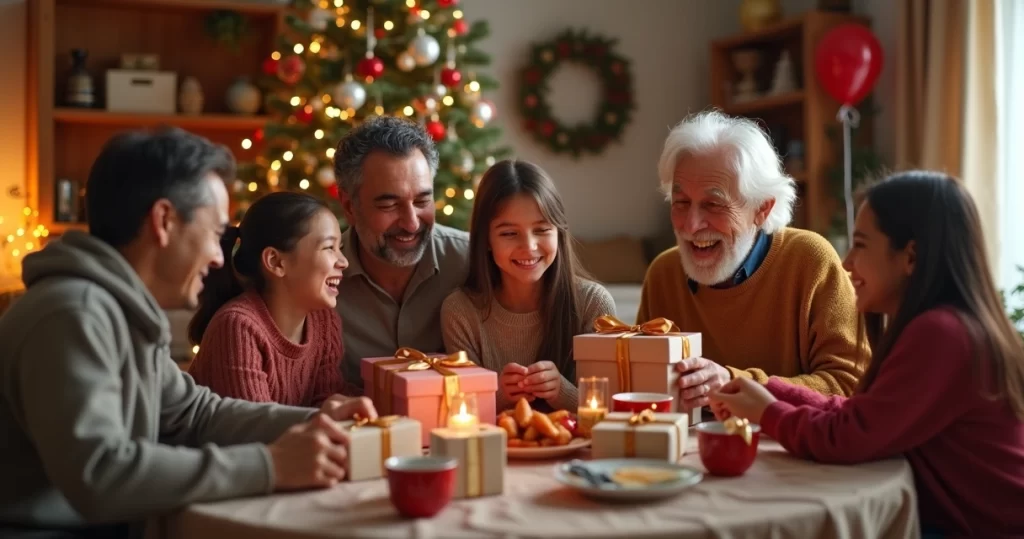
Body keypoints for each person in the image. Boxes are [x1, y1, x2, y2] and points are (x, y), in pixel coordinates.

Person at [0, 128, 376, 538]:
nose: (218, 257)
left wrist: (318, 418)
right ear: (163, 221)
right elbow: (100, 473)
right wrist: (273, 465)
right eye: (215, 234)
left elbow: (195, 413)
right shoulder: (74, 314)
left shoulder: (122, 312)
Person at [710, 171, 1024, 538]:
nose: (847, 262)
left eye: (860, 244)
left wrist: (767, 412)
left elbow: (847, 438)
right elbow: (864, 416)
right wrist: (771, 392)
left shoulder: (941, 334)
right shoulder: (950, 325)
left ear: (911, 256)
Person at [638, 109, 866, 412]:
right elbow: (641, 388)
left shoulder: (810, 261)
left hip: (787, 441)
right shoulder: (663, 274)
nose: (691, 225)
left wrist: (735, 383)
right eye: (681, 202)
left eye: (713, 204)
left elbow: (849, 385)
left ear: (762, 209)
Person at [440, 160, 616, 412]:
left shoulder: (593, 304)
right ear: (486, 239)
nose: (529, 247)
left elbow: (609, 410)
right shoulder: (460, 311)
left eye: (542, 229)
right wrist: (500, 394)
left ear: (558, 232)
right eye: (509, 233)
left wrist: (561, 391)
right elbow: (462, 411)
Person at [333, 115, 470, 390]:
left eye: (422, 200)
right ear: (349, 207)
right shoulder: (317, 277)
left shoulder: (472, 260)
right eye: (389, 205)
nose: (411, 223)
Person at [187, 191, 353, 406]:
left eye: (340, 248)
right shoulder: (238, 326)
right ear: (275, 262)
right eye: (329, 247)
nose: (343, 262)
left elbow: (327, 401)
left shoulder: (324, 320)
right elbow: (255, 422)